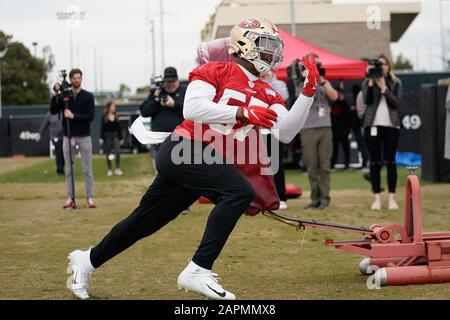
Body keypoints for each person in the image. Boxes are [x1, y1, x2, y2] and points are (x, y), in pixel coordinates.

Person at [66, 18, 318, 300]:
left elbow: (285, 133)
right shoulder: (215, 69)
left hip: (203, 160)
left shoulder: (268, 91)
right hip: (183, 148)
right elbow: (193, 108)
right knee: (238, 192)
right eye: (266, 44)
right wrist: (241, 113)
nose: (273, 53)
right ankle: (198, 269)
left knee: (144, 221)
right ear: (244, 45)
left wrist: (307, 93)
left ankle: (86, 260)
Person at [50, 68, 96, 209]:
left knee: (87, 169)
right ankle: (70, 198)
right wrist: (55, 95)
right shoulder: (66, 96)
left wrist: (73, 115)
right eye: (74, 78)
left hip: (84, 136)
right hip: (68, 136)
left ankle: (90, 198)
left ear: (81, 79)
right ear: (70, 79)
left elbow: (90, 117)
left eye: (78, 78)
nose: (76, 80)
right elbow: (53, 110)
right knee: (69, 169)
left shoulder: (88, 96)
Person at [361, 54, 403, 210]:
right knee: (374, 161)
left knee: (391, 161)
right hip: (372, 125)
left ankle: (392, 198)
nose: (382, 67)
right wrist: (372, 82)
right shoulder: (367, 82)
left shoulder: (396, 83)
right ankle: (377, 198)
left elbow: (396, 103)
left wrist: (385, 87)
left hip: (391, 126)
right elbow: (367, 101)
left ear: (389, 66)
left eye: (384, 64)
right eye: (379, 65)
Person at [300, 55, 338, 209]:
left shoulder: (324, 82)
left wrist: (321, 80)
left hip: (325, 127)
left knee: (325, 165)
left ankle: (325, 198)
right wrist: (308, 78)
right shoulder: (300, 82)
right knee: (312, 166)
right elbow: (300, 97)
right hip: (308, 128)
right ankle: (314, 198)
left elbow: (334, 97)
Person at [140, 66, 187, 171]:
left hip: (181, 141)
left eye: (173, 81)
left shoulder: (185, 91)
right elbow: (144, 111)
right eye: (168, 82)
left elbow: (191, 112)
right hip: (160, 142)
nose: (170, 84)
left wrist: (174, 105)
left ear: (177, 79)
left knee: (181, 174)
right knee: (162, 173)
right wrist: (156, 101)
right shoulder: (157, 92)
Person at [261, 70, 289, 210]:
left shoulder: (279, 83)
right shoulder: (254, 83)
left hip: (275, 129)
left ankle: (281, 197)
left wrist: (269, 80)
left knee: (276, 165)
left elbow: (283, 97)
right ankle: (264, 197)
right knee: (260, 165)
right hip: (258, 129)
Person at [330, 88, 352, 170]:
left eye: (338, 93)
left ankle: (347, 165)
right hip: (335, 130)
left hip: (343, 130)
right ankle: (332, 165)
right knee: (334, 149)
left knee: (345, 148)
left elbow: (349, 117)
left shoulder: (345, 103)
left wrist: (347, 129)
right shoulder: (334, 104)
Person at [100, 101, 123, 176]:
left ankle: (117, 168)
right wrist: (101, 138)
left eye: (114, 107)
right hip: (107, 137)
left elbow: (119, 128)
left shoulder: (116, 116)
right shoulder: (104, 116)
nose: (114, 108)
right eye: (112, 106)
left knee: (118, 151)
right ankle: (109, 169)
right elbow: (102, 128)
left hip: (115, 136)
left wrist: (121, 138)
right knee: (108, 153)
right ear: (109, 107)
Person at [37, 111, 65, 176]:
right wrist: (40, 134)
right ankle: (59, 170)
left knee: (63, 153)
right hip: (54, 136)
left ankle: (62, 168)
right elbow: (44, 124)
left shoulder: (63, 112)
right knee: (58, 153)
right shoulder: (50, 114)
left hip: (64, 136)